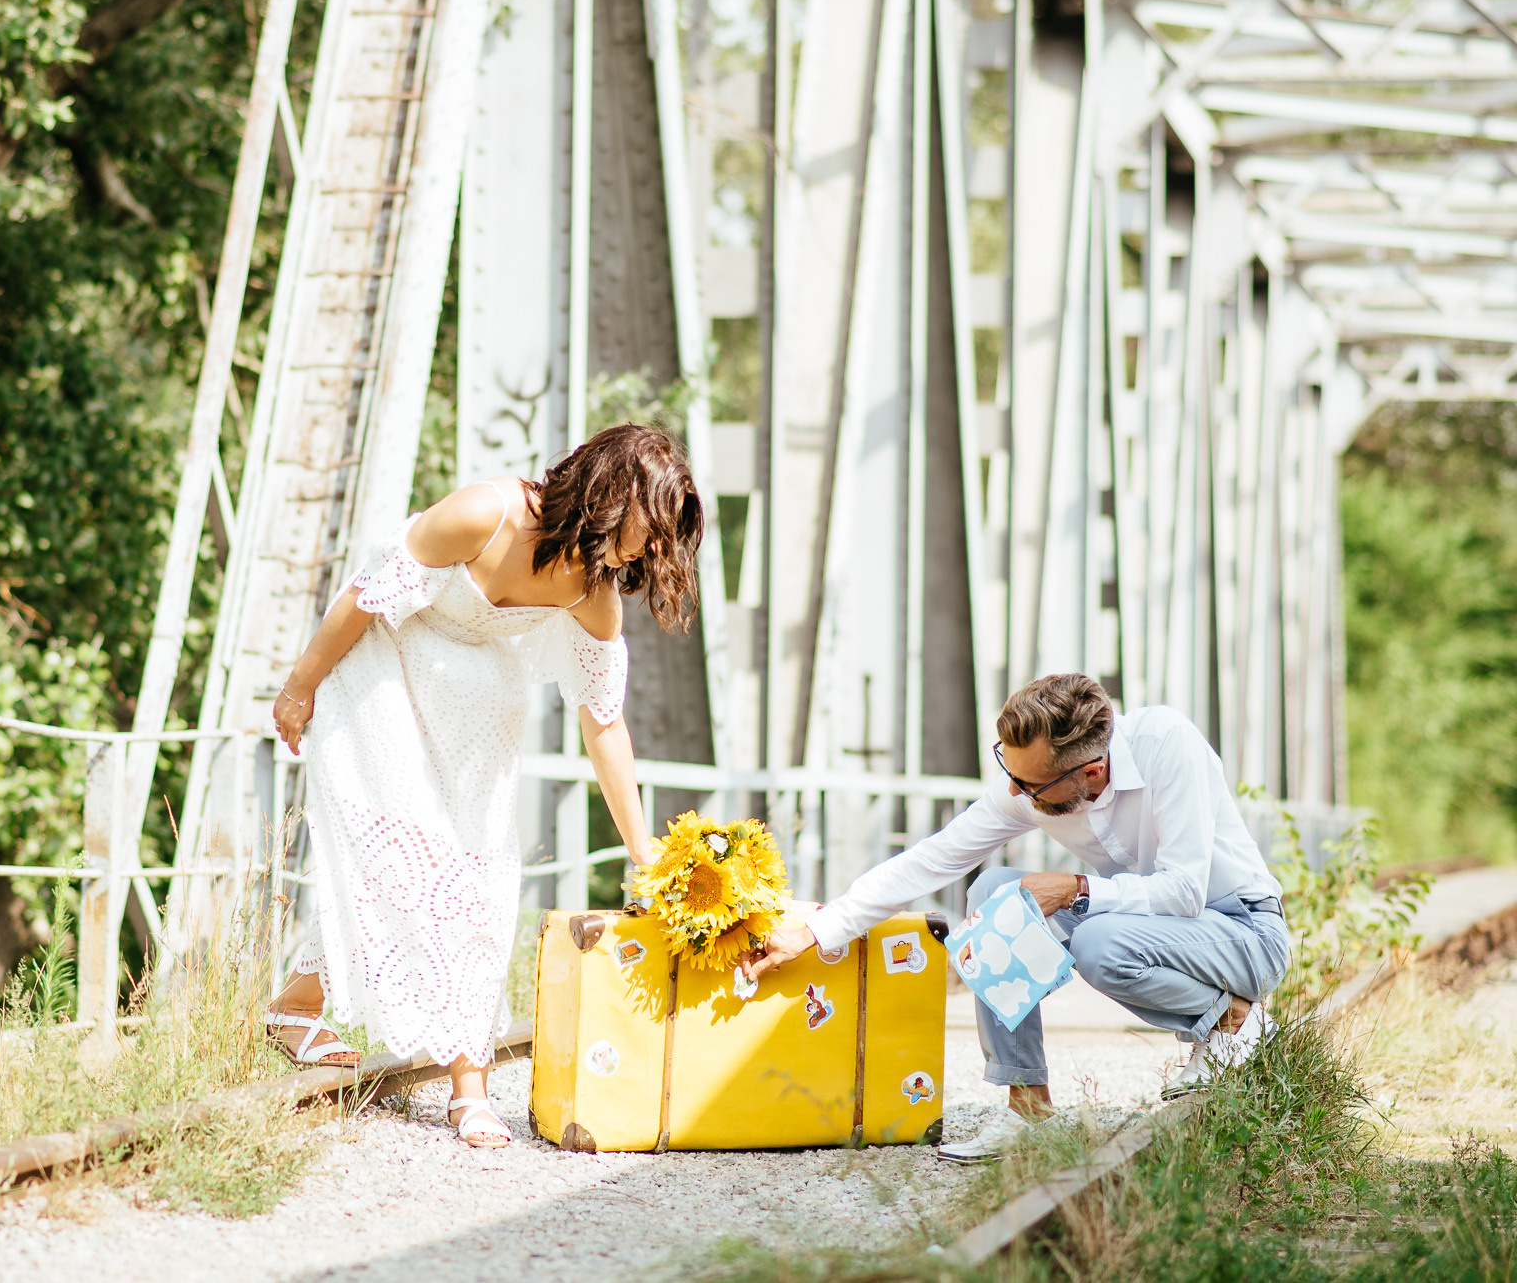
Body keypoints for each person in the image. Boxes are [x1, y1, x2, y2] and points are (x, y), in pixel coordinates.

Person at [267, 424, 702, 1148]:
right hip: (385, 675)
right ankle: (469, 1086)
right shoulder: (485, 512)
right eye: (650, 529)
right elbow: (366, 596)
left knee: (481, 872)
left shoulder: (594, 594)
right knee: (420, 861)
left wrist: (642, 848)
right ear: (612, 494)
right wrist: (298, 688)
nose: (652, 550)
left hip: (475, 712)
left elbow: (605, 725)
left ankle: (295, 1005)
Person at [743, 672, 1289, 1163]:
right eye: (1007, 767)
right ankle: (1029, 1107)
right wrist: (814, 931)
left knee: (1098, 941)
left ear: (1092, 771)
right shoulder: (1032, 780)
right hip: (1146, 929)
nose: (1012, 790)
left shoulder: (1167, 744)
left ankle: (1233, 1018)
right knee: (992, 894)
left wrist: (1076, 888)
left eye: (1027, 785)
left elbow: (1185, 890)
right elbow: (931, 860)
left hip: (1243, 931)